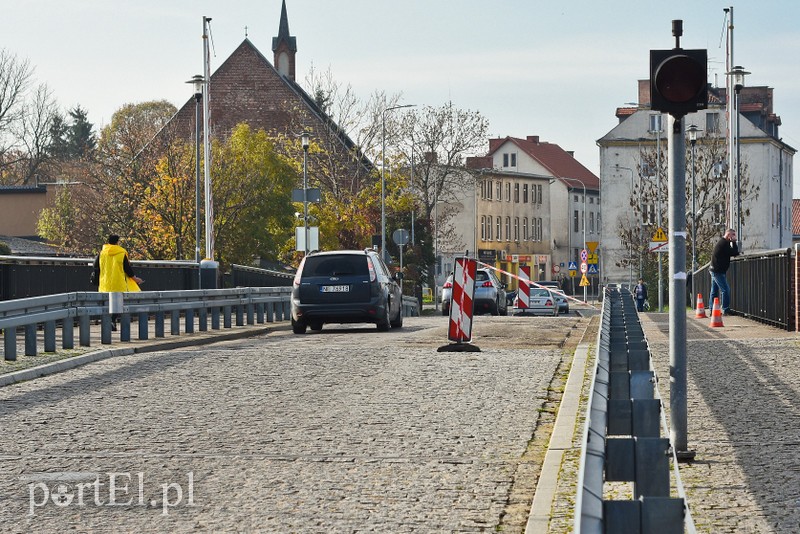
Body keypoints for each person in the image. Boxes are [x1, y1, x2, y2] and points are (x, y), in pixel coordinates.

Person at [93, 235, 143, 330]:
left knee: (106, 303)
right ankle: (112, 320)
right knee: (118, 304)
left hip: (104, 282)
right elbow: (127, 269)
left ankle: (108, 321)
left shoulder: (102, 253)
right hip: (118, 282)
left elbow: (95, 266)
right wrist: (135, 279)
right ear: (117, 242)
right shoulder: (121, 253)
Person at [709, 228, 740, 315]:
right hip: (717, 271)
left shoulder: (723, 242)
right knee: (725, 289)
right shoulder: (724, 243)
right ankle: (726, 309)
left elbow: (731, 252)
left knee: (714, 291)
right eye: (733, 235)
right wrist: (734, 242)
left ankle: (712, 310)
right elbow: (735, 252)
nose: (734, 237)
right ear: (728, 235)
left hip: (715, 269)